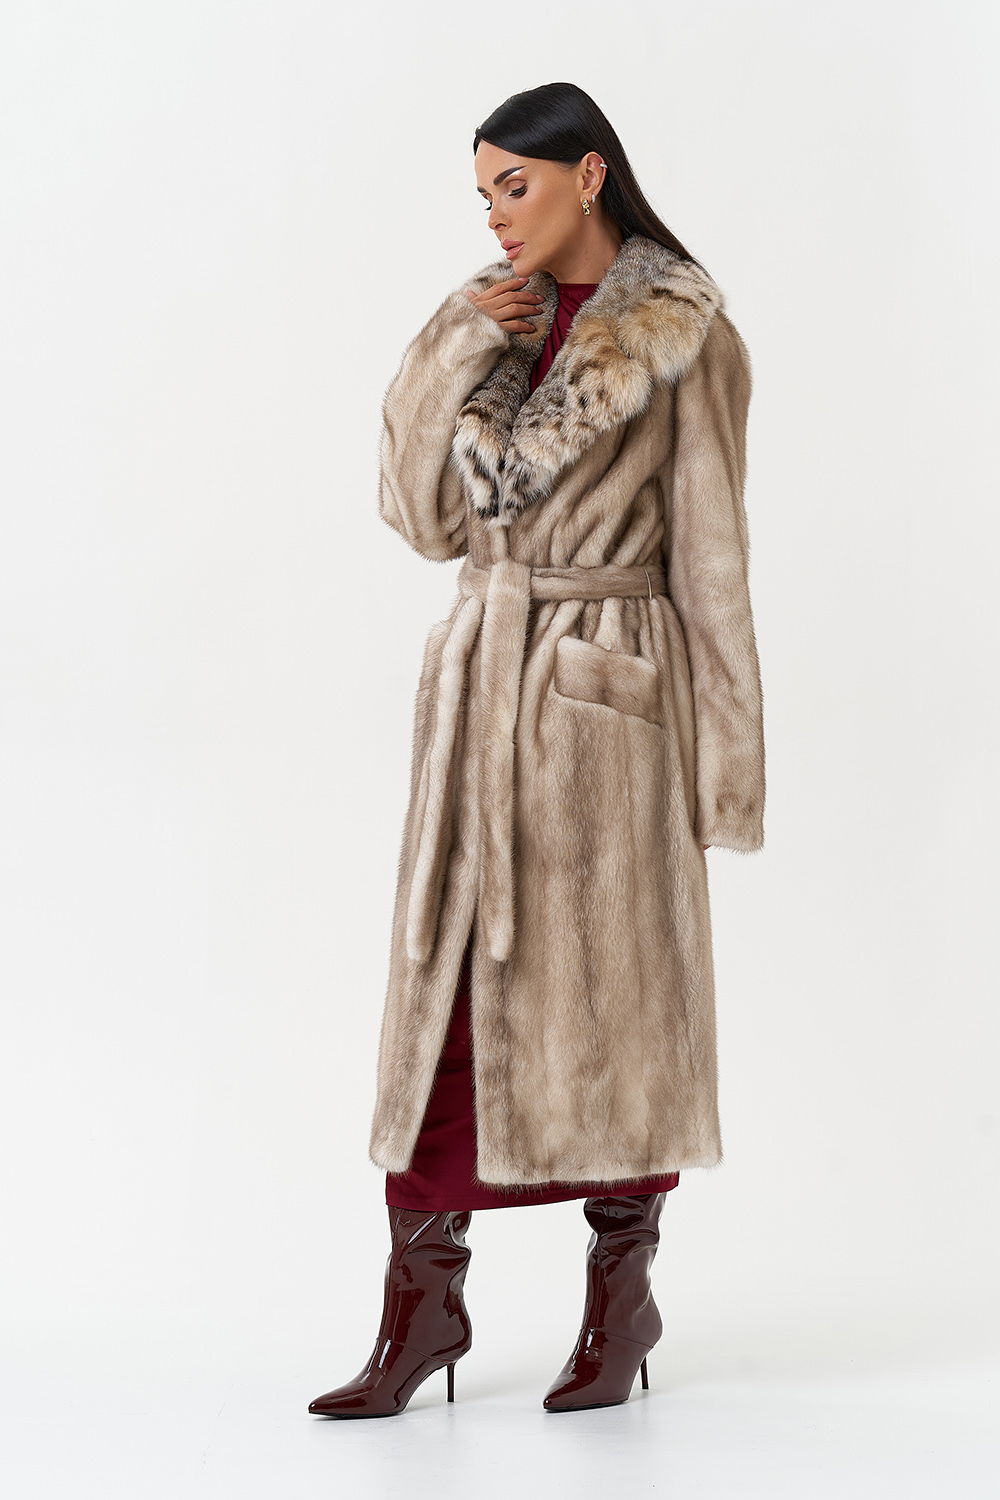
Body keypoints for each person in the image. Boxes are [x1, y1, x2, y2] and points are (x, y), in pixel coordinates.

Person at [309, 81, 764, 1419]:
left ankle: (624, 1298)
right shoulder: (491, 325)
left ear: (590, 174)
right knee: (445, 1010)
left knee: (618, 1009)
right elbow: (418, 519)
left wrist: (726, 766)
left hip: (610, 708)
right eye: (483, 193)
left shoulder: (684, 335)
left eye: (515, 184)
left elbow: (716, 561)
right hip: (480, 697)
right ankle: (424, 1307)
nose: (497, 216)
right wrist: (453, 340)